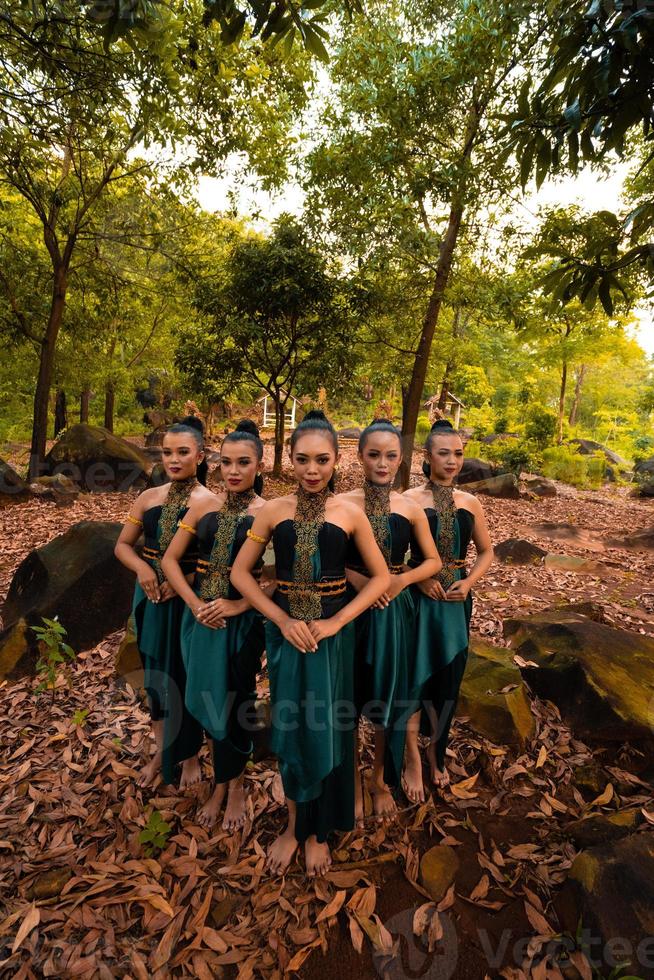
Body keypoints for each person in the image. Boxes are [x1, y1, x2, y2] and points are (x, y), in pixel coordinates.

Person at [230, 410, 391, 877]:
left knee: (332, 726)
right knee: (293, 727)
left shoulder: (350, 513)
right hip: (287, 638)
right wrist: (280, 619)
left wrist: (337, 622)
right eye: (302, 460)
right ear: (291, 460)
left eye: (322, 460)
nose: (312, 470)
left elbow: (381, 577)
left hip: (333, 640)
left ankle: (321, 832)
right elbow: (241, 573)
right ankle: (295, 825)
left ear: (337, 460)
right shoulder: (273, 510)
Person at [161, 420, 269, 831]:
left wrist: (237, 605)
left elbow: (273, 579)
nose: (234, 471)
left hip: (243, 624)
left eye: (244, 463)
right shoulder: (203, 507)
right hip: (200, 621)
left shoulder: (269, 514)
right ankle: (220, 781)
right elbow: (170, 560)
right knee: (206, 696)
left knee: (235, 698)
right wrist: (194, 604)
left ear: (259, 466)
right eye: (227, 463)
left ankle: (234, 787)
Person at [339, 419, 441, 822]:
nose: (383, 464)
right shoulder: (342, 503)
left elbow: (432, 560)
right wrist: (362, 580)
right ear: (360, 456)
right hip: (347, 607)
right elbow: (329, 557)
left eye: (391, 456)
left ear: (403, 459)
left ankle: (380, 779)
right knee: (346, 695)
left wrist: (400, 581)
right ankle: (348, 779)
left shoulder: (409, 507)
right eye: (374, 455)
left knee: (388, 694)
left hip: (392, 611)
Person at [115, 419, 214, 789]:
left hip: (187, 598)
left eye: (183, 452)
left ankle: (189, 754)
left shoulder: (210, 503)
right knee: (156, 676)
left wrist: (184, 581)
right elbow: (122, 545)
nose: (174, 459)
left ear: (200, 455)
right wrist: (142, 567)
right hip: (152, 596)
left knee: (186, 674)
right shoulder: (148, 497)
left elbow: (218, 561)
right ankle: (162, 750)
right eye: (167, 452)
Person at [402, 420, 494, 802]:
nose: (453, 460)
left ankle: (435, 752)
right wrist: (416, 577)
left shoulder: (470, 503)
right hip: (418, 600)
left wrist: (468, 582)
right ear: (428, 456)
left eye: (458, 453)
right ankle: (410, 759)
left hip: (455, 600)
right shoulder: (407, 500)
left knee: (448, 681)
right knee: (413, 680)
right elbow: (391, 557)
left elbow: (487, 551)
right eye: (444, 453)